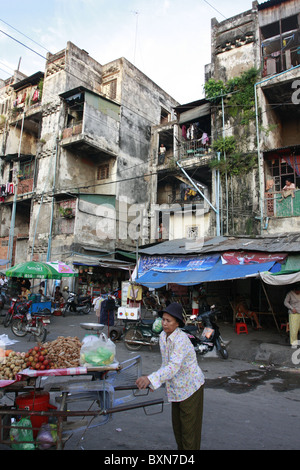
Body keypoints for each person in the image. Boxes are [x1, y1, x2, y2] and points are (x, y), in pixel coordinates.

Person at [136, 303, 205, 450]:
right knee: (178, 429)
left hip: (190, 388)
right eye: (163, 320)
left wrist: (151, 378)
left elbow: (173, 367)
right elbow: (165, 364)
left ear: (177, 323)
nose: (165, 323)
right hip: (176, 389)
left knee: (189, 432)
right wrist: (155, 382)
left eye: (169, 321)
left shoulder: (181, 340)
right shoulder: (163, 336)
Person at [284, 284, 300, 348]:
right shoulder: (290, 294)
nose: (298, 292)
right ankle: (294, 343)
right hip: (293, 313)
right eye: (297, 291)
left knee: (298, 328)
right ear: (294, 290)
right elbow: (285, 302)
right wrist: (291, 308)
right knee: (294, 328)